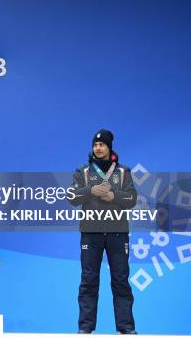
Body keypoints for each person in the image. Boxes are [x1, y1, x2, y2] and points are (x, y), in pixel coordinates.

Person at [67, 129, 137, 335]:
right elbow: (71, 197)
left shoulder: (123, 172)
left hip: (117, 233)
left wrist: (113, 195)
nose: (98, 148)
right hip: (91, 233)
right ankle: (85, 329)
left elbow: (132, 199)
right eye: (95, 145)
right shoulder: (83, 172)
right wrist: (90, 191)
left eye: (102, 145)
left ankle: (126, 328)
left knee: (121, 281)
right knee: (89, 280)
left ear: (109, 147)